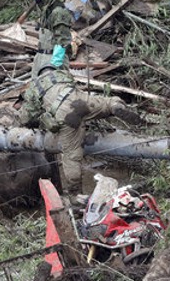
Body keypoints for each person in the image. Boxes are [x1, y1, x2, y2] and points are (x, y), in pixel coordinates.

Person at [23, 64, 139, 195]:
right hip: (78, 98)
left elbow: (27, 117)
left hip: (65, 113)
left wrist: (31, 122)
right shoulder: (61, 74)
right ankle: (116, 106)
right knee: (105, 103)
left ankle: (76, 194)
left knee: (71, 156)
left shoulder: (34, 87)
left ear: (39, 74)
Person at [29, 0, 73, 73]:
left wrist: (54, 65)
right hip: (41, 57)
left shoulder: (58, 12)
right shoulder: (46, 9)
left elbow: (63, 41)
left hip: (52, 59)